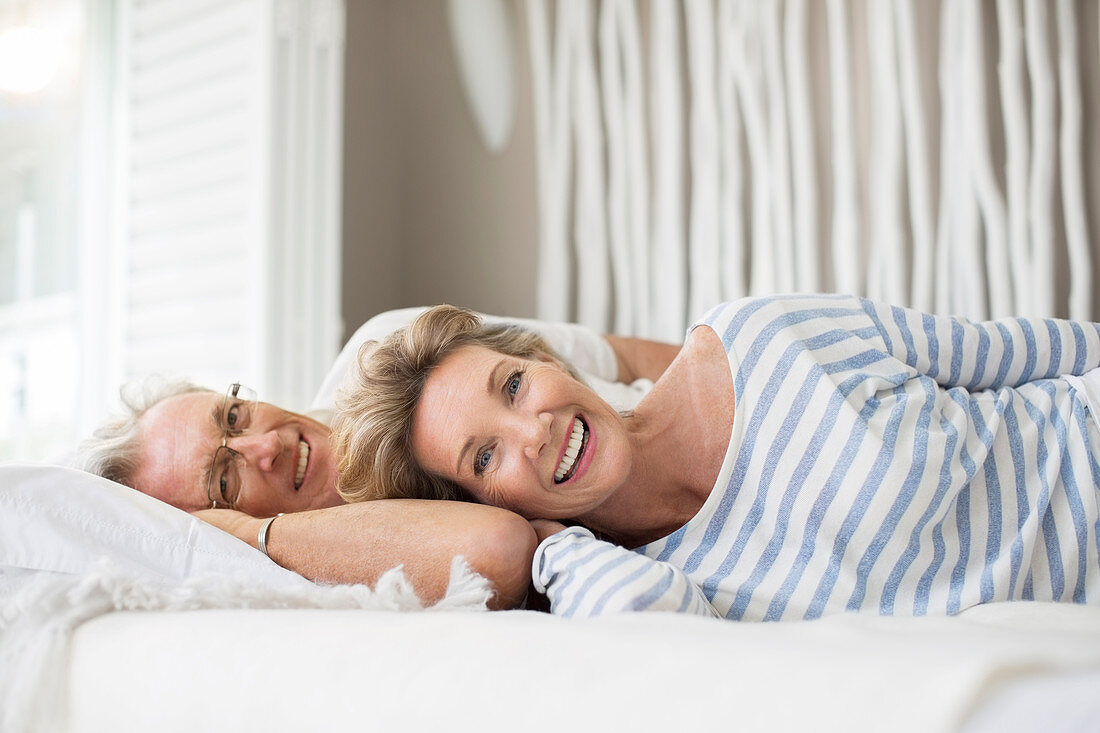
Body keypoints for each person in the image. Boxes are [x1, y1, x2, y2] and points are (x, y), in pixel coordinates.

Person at [332, 294, 1100, 621]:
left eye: (513, 384)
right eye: (485, 455)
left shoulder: (759, 335)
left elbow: (1029, 351)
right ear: (477, 506)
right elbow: (663, 641)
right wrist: (546, 541)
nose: (533, 431)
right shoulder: (630, 582)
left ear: (542, 357)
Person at [78, 307, 680, 609]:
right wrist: (246, 533)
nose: (266, 446)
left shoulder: (391, 344)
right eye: (224, 478)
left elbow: (623, 359)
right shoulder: (339, 579)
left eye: (234, 417)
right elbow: (497, 548)